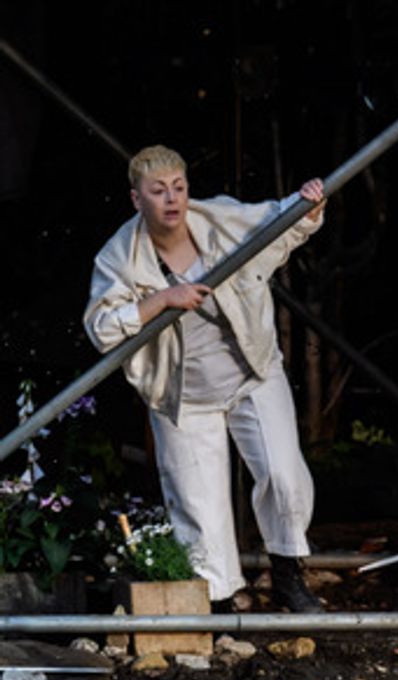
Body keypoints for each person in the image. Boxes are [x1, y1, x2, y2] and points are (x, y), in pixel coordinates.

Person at [83, 144, 326, 614]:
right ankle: (219, 601)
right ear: (137, 199)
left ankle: (288, 576)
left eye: (178, 187)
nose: (171, 199)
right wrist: (161, 300)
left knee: (284, 473)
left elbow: (277, 222)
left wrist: (309, 205)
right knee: (200, 504)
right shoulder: (119, 255)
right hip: (182, 396)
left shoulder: (217, 219)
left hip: (252, 372)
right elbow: (101, 328)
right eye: (158, 191)